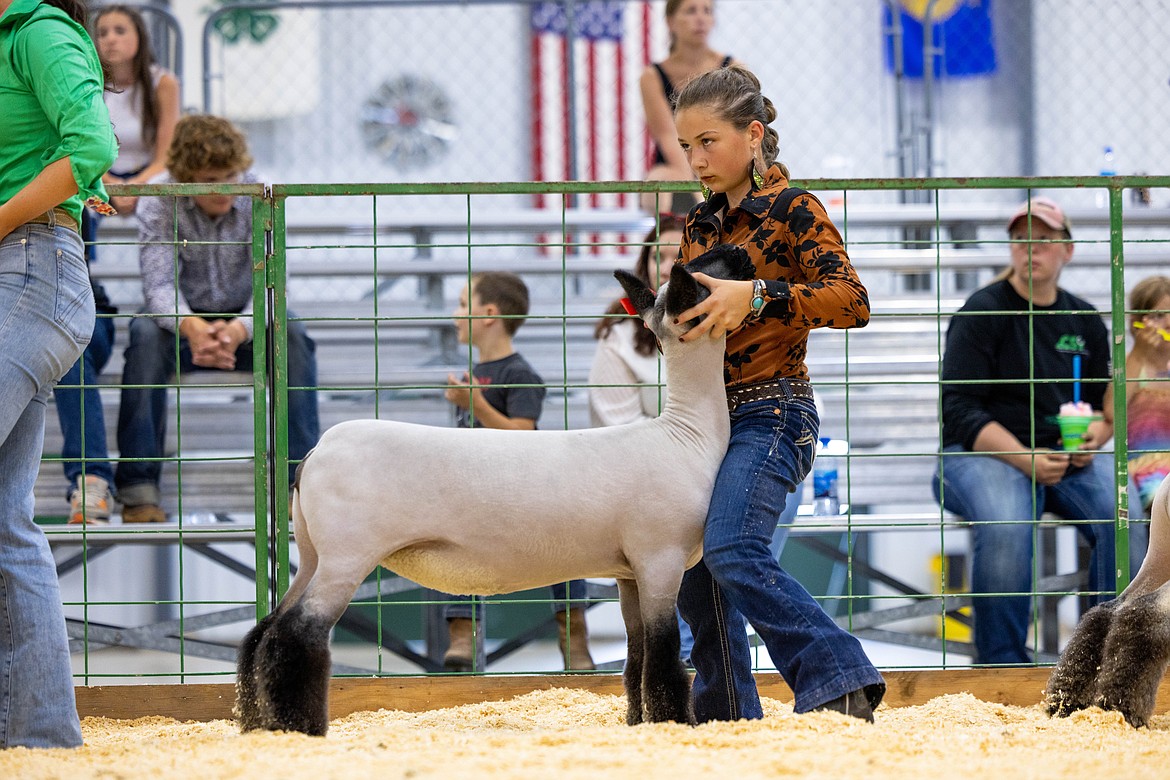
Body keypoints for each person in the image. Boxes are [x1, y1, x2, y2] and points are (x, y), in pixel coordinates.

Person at [668, 65, 885, 722]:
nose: (697, 159)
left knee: (732, 546)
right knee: (694, 572)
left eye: (709, 141)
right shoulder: (701, 225)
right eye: (686, 146)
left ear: (753, 134)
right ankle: (727, 714)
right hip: (704, 418)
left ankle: (840, 677)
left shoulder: (795, 209)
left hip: (773, 409)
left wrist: (757, 296)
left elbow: (853, 302)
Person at [0, 0, 117, 748]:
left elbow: (94, 142)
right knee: (7, 525)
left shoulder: (38, 31)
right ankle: (40, 735)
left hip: (29, 273)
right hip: (26, 273)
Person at [933, 196, 1117, 666]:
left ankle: (1106, 659)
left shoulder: (1084, 319)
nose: (1031, 248)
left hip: (1062, 457)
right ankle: (1002, 668)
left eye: (1044, 240)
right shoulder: (984, 310)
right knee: (1008, 520)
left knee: (1124, 518)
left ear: (1067, 250)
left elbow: (1101, 405)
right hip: (982, 452)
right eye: (1020, 240)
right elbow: (959, 412)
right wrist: (1023, 457)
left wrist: (1094, 437)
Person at [114, 114, 320, 523]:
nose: (226, 187)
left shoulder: (259, 192)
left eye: (232, 175)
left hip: (247, 321)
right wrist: (192, 327)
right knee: (142, 334)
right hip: (179, 324)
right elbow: (158, 285)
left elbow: (274, 283)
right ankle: (138, 491)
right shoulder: (159, 198)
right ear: (186, 176)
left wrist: (239, 328)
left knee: (293, 335)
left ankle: (302, 485)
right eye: (213, 179)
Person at [53, 6, 179, 524]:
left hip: (151, 177)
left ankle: (99, 483)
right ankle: (92, 482)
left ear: (138, 38)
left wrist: (138, 187)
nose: (108, 39)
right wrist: (105, 187)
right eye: (101, 31)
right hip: (94, 179)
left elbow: (168, 152)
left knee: (160, 203)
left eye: (119, 30)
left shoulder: (160, 83)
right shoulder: (85, 80)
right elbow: (84, 147)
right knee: (79, 201)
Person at [440, 271, 595, 672]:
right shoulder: (473, 375)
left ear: (489, 313)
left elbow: (522, 435)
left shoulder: (520, 374)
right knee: (450, 535)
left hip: (524, 492)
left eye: (462, 304)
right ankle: (461, 633)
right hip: (479, 493)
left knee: (566, 543)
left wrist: (476, 404)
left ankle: (572, 634)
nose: (455, 315)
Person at [638, 0, 736, 215]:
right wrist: (698, 185)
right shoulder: (652, 76)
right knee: (660, 184)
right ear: (671, 22)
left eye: (707, 11)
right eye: (691, 11)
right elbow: (667, 136)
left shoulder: (733, 69)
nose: (700, 18)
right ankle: (672, 244)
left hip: (720, 161)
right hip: (676, 164)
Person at [1109, 275, 1170, 523]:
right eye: (1158, 316)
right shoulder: (1131, 365)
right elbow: (1113, 412)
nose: (1167, 322)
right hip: (1144, 470)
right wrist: (1139, 353)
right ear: (1137, 323)